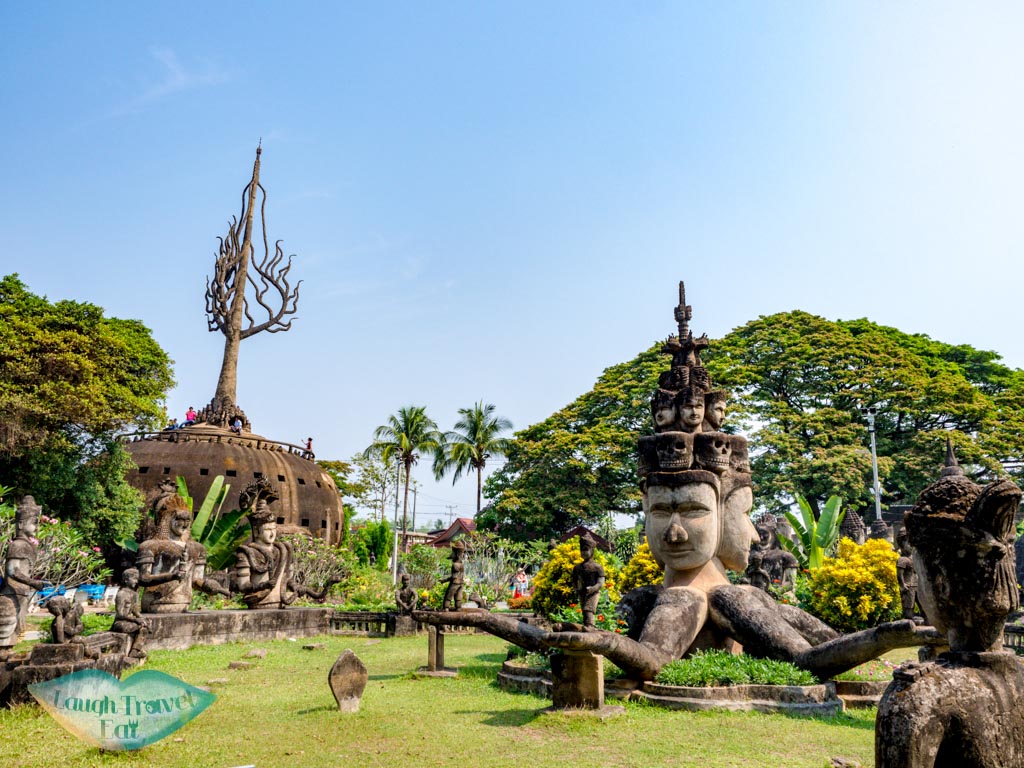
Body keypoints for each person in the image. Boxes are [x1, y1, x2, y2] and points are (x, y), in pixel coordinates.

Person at [572, 534, 605, 629]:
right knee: (584, 609)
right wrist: (576, 588)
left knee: (588, 609)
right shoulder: (577, 567)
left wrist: (593, 588)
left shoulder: (597, 567)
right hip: (582, 591)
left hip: (593, 592)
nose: (583, 552)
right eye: (581, 550)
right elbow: (574, 579)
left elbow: (600, 582)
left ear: (592, 550)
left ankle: (590, 626)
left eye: (586, 549)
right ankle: (587, 625)